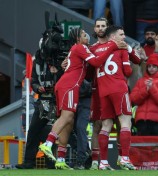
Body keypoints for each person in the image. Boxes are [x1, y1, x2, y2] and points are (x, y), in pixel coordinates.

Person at [38, 27, 124, 170]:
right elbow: (96, 62)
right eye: (84, 35)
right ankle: (48, 143)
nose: (87, 37)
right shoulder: (79, 47)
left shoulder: (78, 49)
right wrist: (113, 46)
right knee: (67, 116)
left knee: (68, 122)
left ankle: (60, 159)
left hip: (66, 85)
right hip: (70, 85)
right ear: (78, 38)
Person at [88, 17, 141, 170]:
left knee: (106, 125)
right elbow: (129, 70)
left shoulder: (94, 49)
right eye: (122, 34)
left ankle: (103, 162)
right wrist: (128, 50)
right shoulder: (120, 48)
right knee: (125, 122)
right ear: (113, 36)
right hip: (118, 87)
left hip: (103, 91)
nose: (124, 37)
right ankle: (124, 158)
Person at [15, 46, 63, 169]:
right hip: (43, 101)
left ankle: (54, 163)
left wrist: (57, 72)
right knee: (34, 132)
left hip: (58, 102)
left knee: (51, 132)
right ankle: (30, 162)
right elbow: (34, 80)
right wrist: (37, 88)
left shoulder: (60, 60)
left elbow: (65, 79)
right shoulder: (37, 62)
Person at [130, 53, 158, 136]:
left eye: (154, 66)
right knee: (142, 147)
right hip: (142, 121)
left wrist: (152, 88)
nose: (151, 68)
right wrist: (146, 90)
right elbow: (133, 99)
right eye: (149, 66)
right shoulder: (141, 81)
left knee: (156, 147)